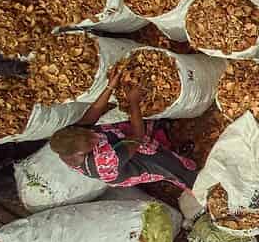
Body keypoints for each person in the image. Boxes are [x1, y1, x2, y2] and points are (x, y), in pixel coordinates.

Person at [49, 73, 198, 190]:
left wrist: (110, 86)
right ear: (79, 154)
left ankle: (167, 143)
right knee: (167, 165)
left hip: (119, 145)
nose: (94, 136)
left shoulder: (70, 137)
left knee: (144, 127)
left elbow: (94, 111)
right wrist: (133, 101)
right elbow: (138, 136)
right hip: (131, 164)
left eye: (88, 133)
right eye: (90, 142)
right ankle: (193, 181)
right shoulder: (104, 161)